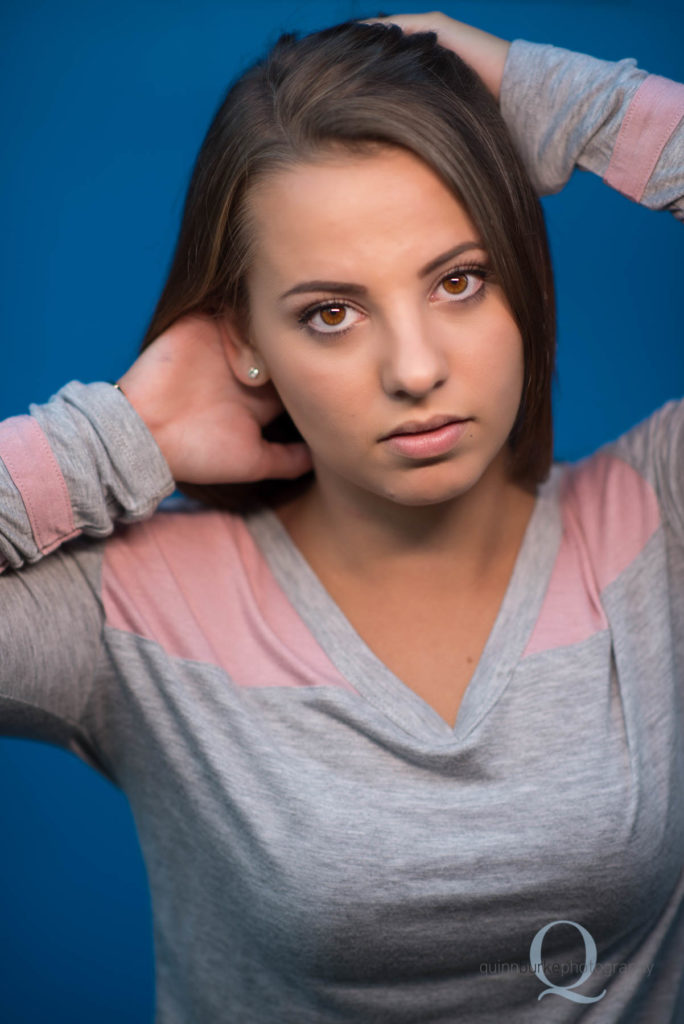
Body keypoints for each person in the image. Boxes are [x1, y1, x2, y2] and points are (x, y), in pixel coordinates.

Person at [1, 9, 682, 1022]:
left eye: (459, 280)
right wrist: (114, 435)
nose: (415, 369)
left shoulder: (654, 520)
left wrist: (561, 101)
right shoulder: (136, 611)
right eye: (332, 312)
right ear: (245, 343)